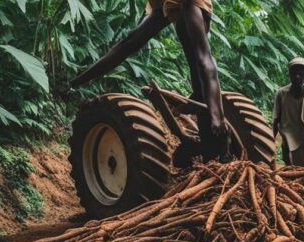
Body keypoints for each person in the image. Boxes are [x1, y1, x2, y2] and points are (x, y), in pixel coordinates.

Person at [70, 0, 230, 163]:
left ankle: (217, 150)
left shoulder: (190, 5)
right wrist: (80, 80)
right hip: (201, 88)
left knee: (211, 128)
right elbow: (127, 44)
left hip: (206, 90)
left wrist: (217, 116)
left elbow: (206, 62)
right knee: (200, 95)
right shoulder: (166, 6)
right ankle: (203, 151)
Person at [272, 58, 304, 167]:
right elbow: (276, 120)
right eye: (294, 74)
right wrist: (271, 143)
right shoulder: (281, 94)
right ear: (289, 74)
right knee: (288, 167)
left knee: (303, 170)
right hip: (287, 137)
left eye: (301, 74)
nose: (297, 77)